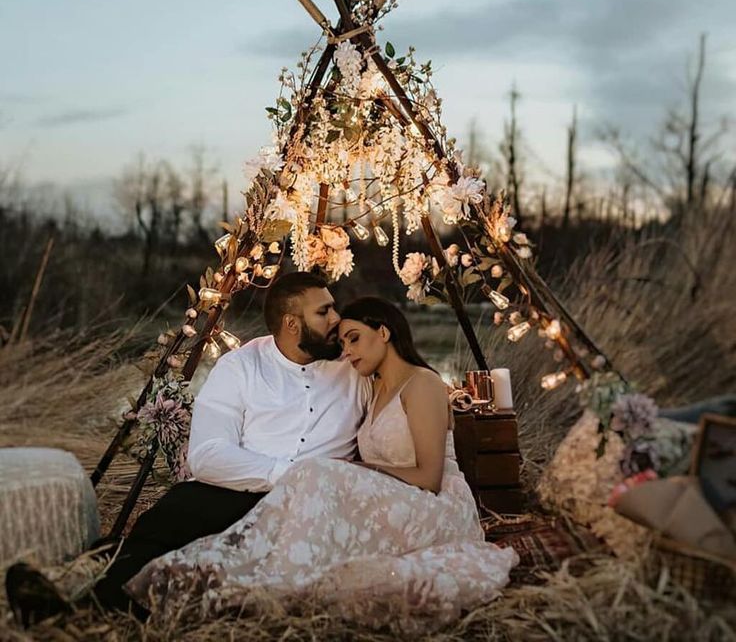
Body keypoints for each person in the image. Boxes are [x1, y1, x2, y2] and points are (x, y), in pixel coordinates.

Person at [124, 297, 518, 634]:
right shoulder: (373, 386)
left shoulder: (424, 384)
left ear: (384, 332)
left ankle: (280, 580)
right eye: (343, 342)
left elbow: (430, 478)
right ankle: (236, 572)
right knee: (310, 476)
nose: (347, 351)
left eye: (354, 339)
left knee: (317, 471)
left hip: (432, 505)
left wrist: (358, 471)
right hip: (390, 499)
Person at [6, 271, 371, 625]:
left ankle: (100, 592)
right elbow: (207, 454)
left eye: (333, 308)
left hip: (321, 503)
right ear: (292, 324)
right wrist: (285, 475)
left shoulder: (354, 365)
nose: (337, 319)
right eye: (324, 311)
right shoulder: (241, 366)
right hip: (250, 491)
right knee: (176, 511)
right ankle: (87, 602)